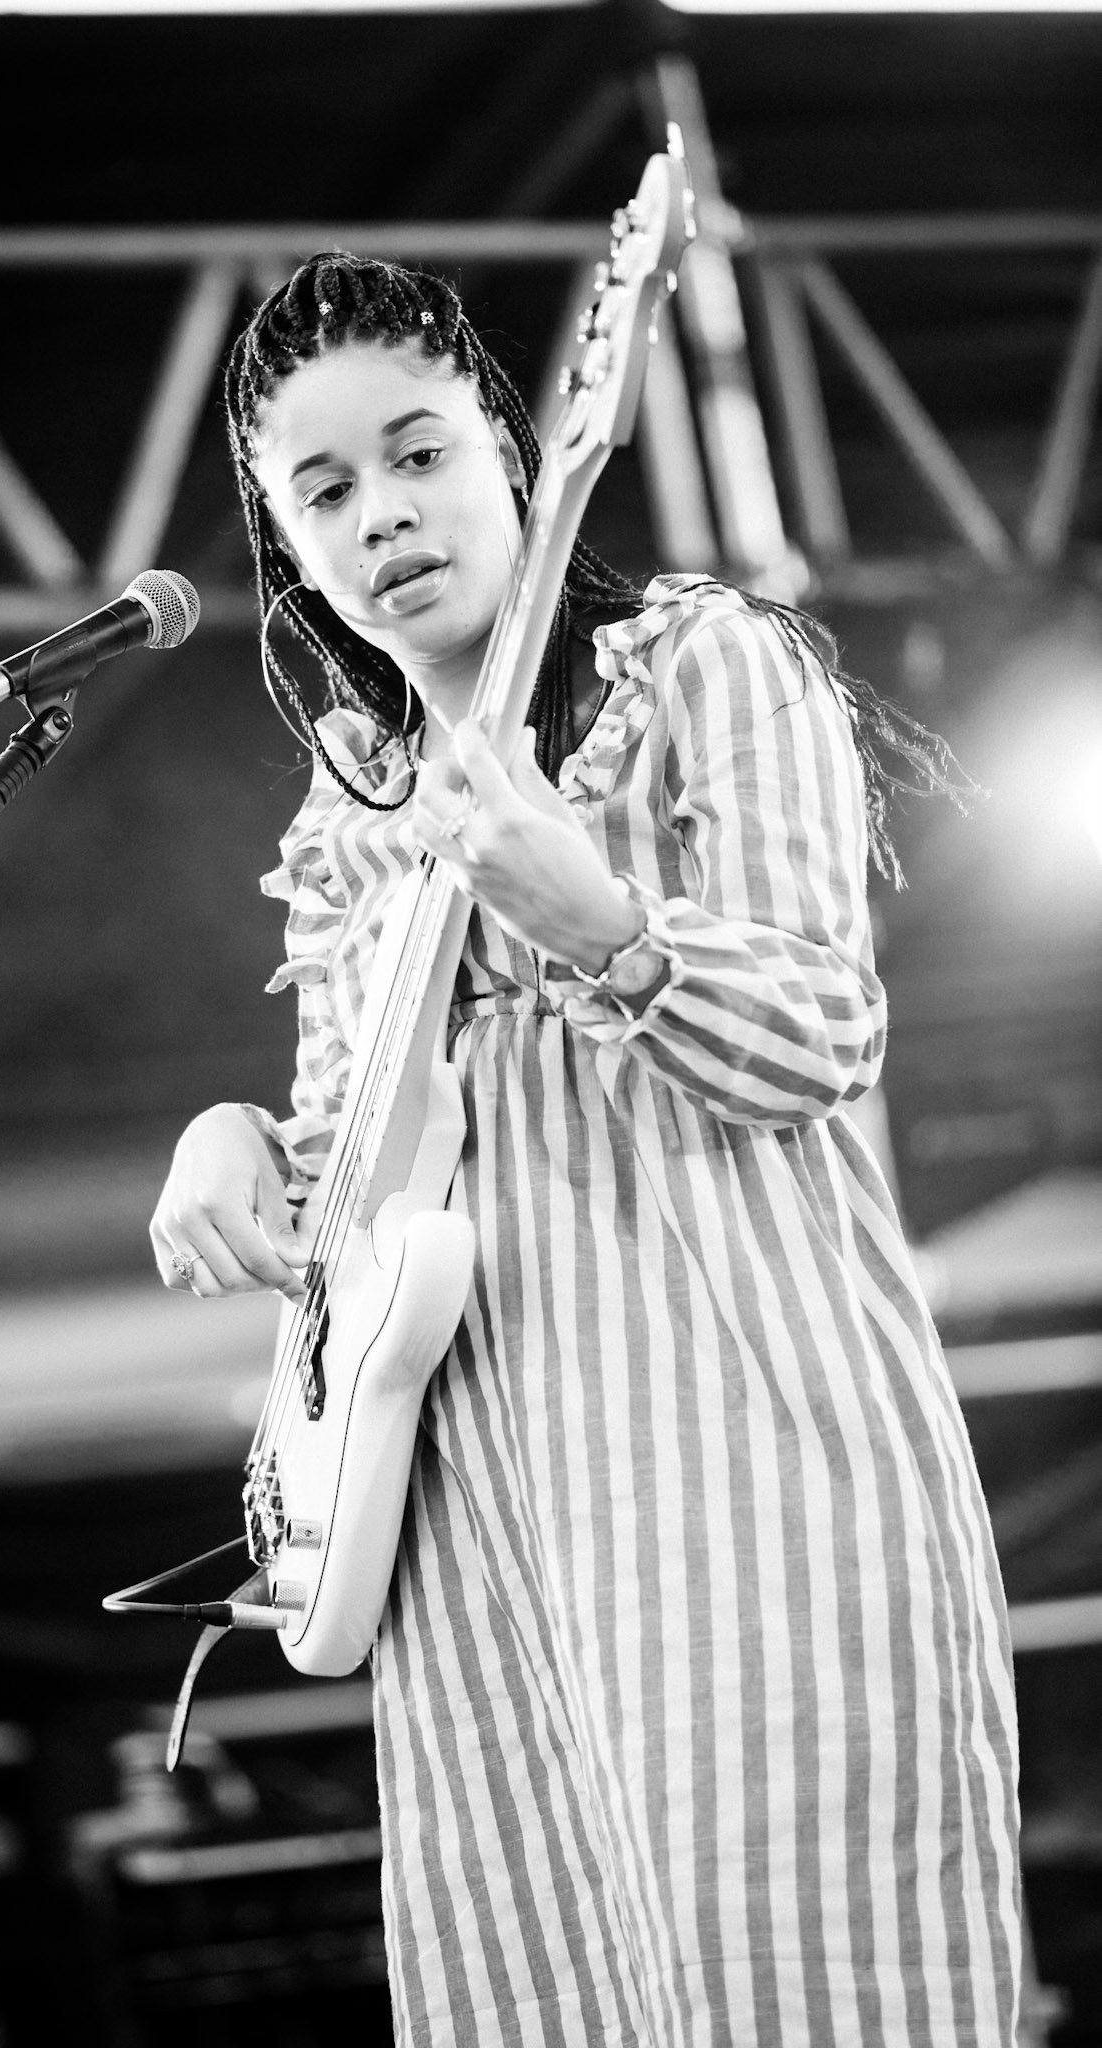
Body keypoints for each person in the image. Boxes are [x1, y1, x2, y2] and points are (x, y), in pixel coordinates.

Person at [149, 253, 1020, 2048]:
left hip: (746, 1489)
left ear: (520, 454)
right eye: (323, 494)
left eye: (417, 454)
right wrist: (233, 1143)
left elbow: (820, 1038)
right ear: (285, 550)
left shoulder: (704, 664)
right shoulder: (350, 820)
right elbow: (363, 1194)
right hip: (479, 1551)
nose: (382, 515)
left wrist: (599, 921)